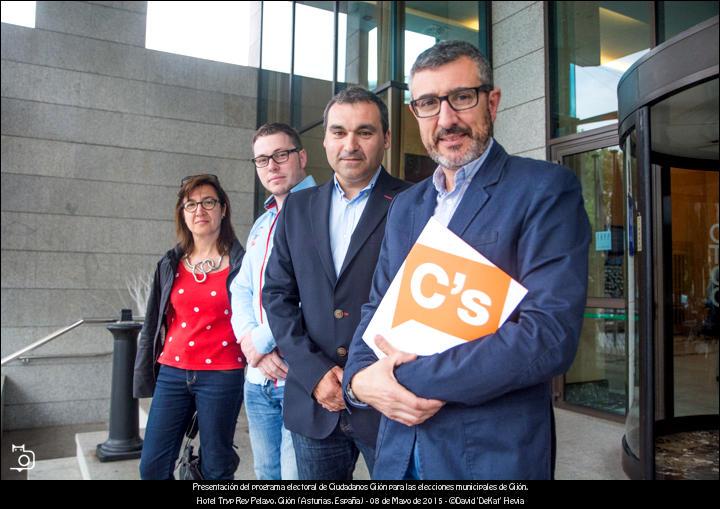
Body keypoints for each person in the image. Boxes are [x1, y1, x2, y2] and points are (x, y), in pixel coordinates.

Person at [344, 40, 591, 480]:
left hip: (490, 456)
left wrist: (403, 380)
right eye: (428, 103)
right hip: (400, 455)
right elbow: (376, 311)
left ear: (491, 101)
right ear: (414, 113)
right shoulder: (406, 207)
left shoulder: (544, 190)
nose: (446, 119)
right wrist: (359, 382)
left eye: (461, 98)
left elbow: (547, 335)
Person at [262, 87, 411, 480]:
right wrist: (313, 372)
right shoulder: (297, 207)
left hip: (388, 401)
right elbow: (277, 295)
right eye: (339, 132)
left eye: (364, 132)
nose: (350, 144)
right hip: (315, 402)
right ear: (325, 139)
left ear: (386, 139)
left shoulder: (414, 203)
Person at [134, 174, 246, 480]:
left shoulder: (242, 263)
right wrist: (143, 373)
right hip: (172, 371)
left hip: (223, 374)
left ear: (223, 209)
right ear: (183, 214)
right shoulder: (170, 263)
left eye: (208, 202)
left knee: (216, 466)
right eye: (191, 204)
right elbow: (153, 322)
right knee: (152, 467)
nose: (200, 210)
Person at [230, 123, 316, 480]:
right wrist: (251, 344)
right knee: (266, 473)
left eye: (281, 155)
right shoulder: (262, 223)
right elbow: (241, 289)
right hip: (257, 378)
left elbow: (315, 294)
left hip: (296, 374)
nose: (272, 166)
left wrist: (263, 343)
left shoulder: (321, 211)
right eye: (263, 159)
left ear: (302, 157)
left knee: (295, 476)